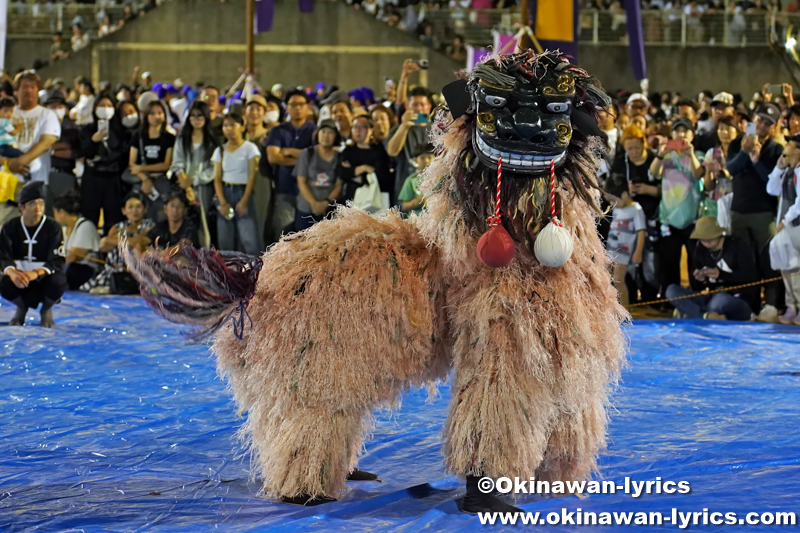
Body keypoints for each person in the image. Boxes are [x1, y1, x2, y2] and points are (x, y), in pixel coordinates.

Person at [727, 103, 784, 320]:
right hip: (739, 210)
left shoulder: (776, 149)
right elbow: (731, 169)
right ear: (752, 118)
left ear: (774, 126)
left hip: (764, 212)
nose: (761, 125)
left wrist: (757, 160)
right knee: (743, 260)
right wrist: (744, 151)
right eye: (759, 119)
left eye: (767, 123)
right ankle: (747, 304)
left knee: (768, 258)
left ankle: (771, 304)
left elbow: (772, 182)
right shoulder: (736, 143)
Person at [0, 182, 67, 327]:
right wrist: (12, 273)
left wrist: (35, 273)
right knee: (3, 282)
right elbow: (3, 256)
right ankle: (21, 308)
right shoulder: (10, 227)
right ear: (21, 207)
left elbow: (57, 260)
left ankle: (47, 309)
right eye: (32, 204)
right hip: (20, 278)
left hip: (43, 278)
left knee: (59, 281)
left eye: (41, 204)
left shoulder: (53, 227)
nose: (38, 208)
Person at [666, 216, 758, 321]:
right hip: (711, 297)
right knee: (671, 291)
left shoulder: (737, 245)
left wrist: (721, 275)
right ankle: (706, 316)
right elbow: (697, 287)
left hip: (737, 298)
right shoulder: (700, 250)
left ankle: (693, 313)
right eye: (703, 240)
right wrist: (698, 278)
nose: (706, 244)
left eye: (710, 240)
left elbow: (751, 277)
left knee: (718, 302)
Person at [610, 125, 660, 303]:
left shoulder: (654, 160)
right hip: (625, 219)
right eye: (629, 148)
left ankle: (650, 296)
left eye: (637, 148)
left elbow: (668, 190)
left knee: (648, 263)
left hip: (650, 215)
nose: (633, 152)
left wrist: (648, 189)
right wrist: (624, 191)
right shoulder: (621, 161)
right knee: (622, 270)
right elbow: (612, 188)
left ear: (644, 145)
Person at [265, 89, 315, 243]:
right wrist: (303, 158)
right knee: (282, 235)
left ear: (308, 107)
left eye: (301, 104)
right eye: (293, 104)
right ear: (286, 107)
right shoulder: (278, 131)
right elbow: (273, 157)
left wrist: (287, 151)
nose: (297, 108)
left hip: (309, 191)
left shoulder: (315, 131)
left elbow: (317, 157)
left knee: (308, 237)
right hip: (284, 188)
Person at [170, 100, 219, 248]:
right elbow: (176, 164)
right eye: (193, 116)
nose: (196, 120)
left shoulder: (212, 141)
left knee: (204, 226)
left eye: (200, 116)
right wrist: (187, 186)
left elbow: (213, 168)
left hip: (205, 189)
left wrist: (194, 180)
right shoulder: (182, 139)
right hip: (185, 188)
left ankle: (205, 259)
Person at [79, 93, 128, 235]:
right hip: (92, 178)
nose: (105, 109)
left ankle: (112, 252)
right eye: (101, 106)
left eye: (109, 106)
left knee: (114, 220)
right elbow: (85, 151)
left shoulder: (120, 132)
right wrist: (93, 140)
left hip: (113, 180)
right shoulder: (87, 130)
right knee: (89, 219)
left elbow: (122, 154)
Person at [212, 113, 261, 254]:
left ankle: (254, 271)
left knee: (249, 239)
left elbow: (252, 176)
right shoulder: (219, 151)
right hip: (225, 192)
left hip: (243, 191)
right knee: (225, 239)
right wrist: (222, 202)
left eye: (232, 125)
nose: (228, 129)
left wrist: (244, 200)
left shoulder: (250, 148)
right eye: (225, 125)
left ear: (242, 127)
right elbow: (217, 178)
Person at [89, 191, 154, 294]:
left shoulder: (150, 225)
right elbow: (104, 246)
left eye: (138, 207)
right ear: (124, 211)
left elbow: (137, 242)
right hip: (115, 269)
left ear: (144, 210)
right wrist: (124, 233)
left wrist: (110, 239)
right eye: (130, 207)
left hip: (137, 269)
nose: (134, 211)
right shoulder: (118, 227)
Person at [766, 134, 800, 325]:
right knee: (787, 268)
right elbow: (771, 189)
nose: (784, 148)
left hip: (795, 226)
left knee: (796, 267)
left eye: (789, 145)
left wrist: (784, 221)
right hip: (787, 227)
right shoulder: (789, 170)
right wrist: (779, 166)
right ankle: (791, 305)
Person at [129, 100, 176, 222]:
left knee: (160, 215)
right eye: (152, 113)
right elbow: (132, 164)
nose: (156, 116)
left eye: (160, 113)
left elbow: (166, 164)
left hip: (161, 180)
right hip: (141, 180)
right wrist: (145, 178)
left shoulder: (169, 138)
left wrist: (143, 168)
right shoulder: (138, 136)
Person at [604, 175, 646, 307]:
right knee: (609, 280)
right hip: (611, 249)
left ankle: (625, 311)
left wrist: (638, 251)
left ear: (623, 194)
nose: (612, 204)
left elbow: (641, 231)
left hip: (623, 252)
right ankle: (613, 310)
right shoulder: (617, 208)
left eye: (613, 200)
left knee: (618, 280)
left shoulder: (636, 209)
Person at [294, 120, 342, 232]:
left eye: (330, 133)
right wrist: (313, 203)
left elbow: (339, 184)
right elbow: (301, 181)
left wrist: (326, 202)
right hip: (306, 208)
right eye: (323, 132)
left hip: (330, 209)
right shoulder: (307, 153)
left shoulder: (340, 157)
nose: (326, 136)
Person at [386, 86, 433, 200]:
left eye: (422, 104)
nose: (419, 108)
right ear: (407, 106)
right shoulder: (398, 129)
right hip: (404, 190)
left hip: (432, 190)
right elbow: (392, 151)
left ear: (429, 106)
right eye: (415, 105)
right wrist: (404, 126)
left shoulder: (437, 129)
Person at [52, 191, 100, 290]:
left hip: (85, 270)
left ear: (62, 213)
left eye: (55, 213)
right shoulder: (64, 229)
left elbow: (75, 256)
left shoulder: (85, 226)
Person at [337, 115, 392, 203]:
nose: (358, 130)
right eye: (355, 127)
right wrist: (364, 168)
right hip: (352, 199)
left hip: (375, 199)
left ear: (371, 130)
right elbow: (341, 172)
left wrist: (356, 175)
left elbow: (383, 175)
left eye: (362, 127)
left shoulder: (379, 150)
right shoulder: (348, 151)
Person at [397, 145, 434, 216]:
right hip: (418, 219)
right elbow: (405, 205)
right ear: (416, 160)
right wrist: (419, 201)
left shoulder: (440, 177)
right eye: (422, 158)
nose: (426, 161)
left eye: (429, 158)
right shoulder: (411, 180)